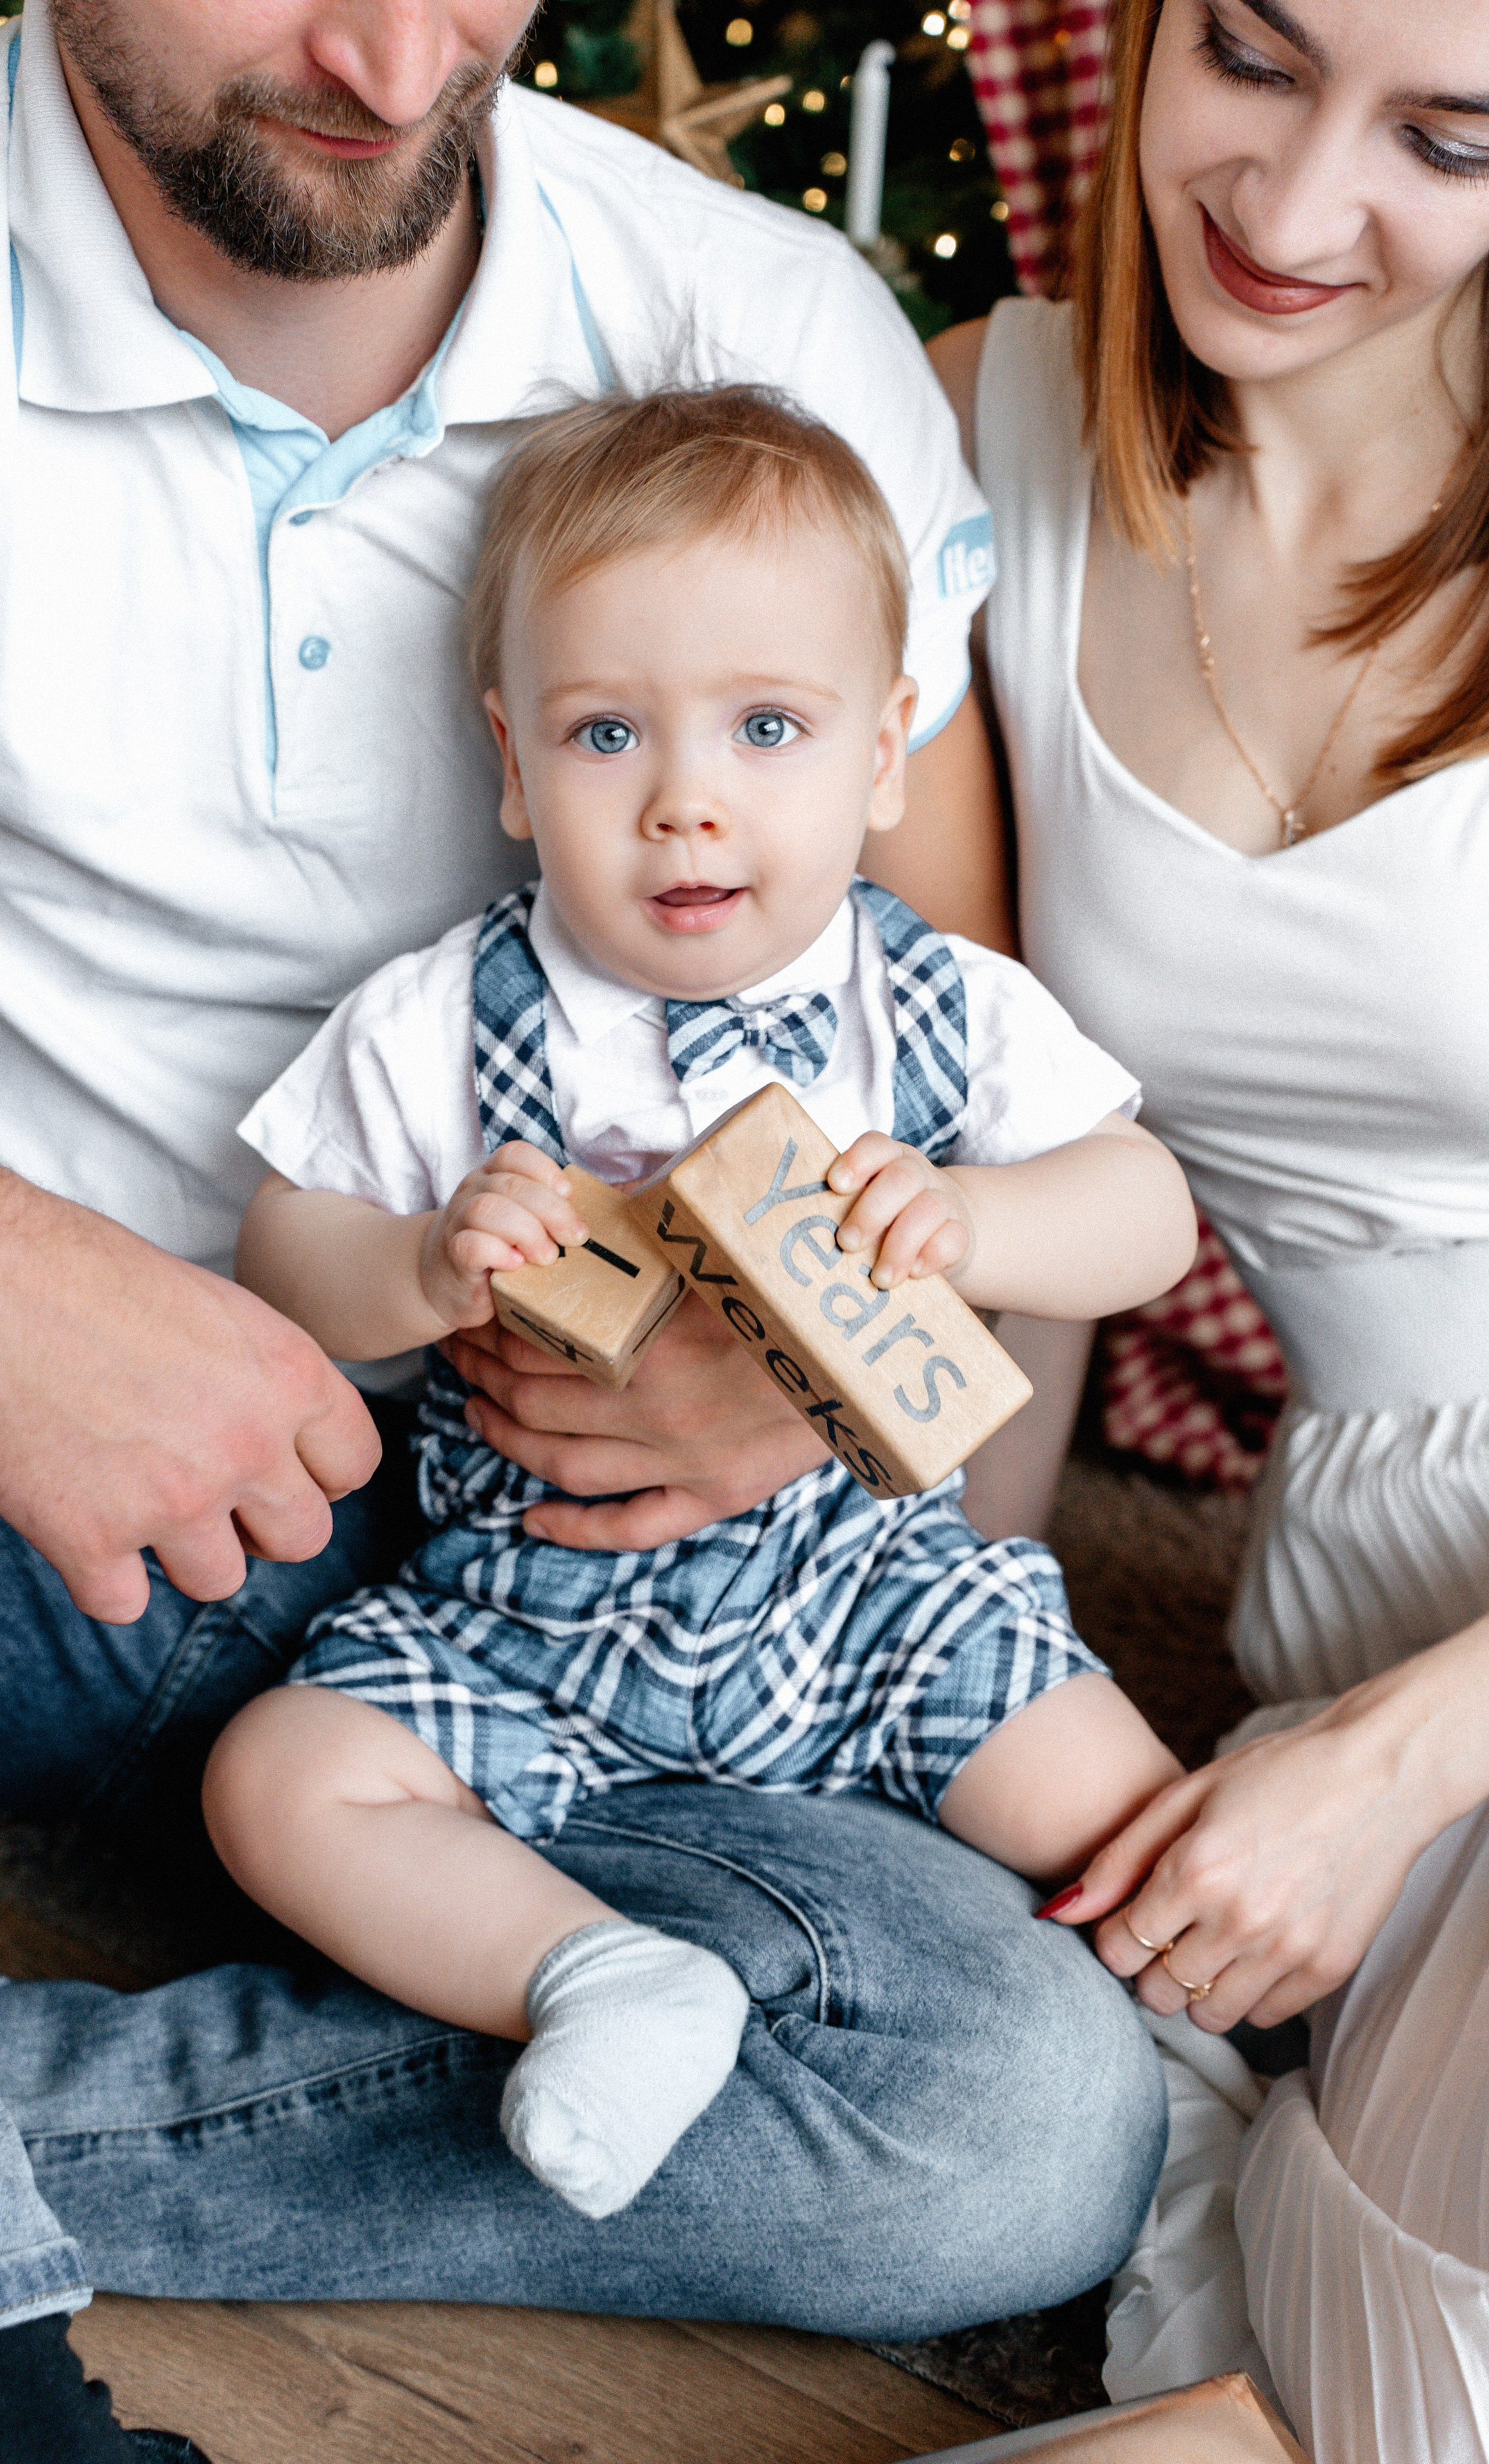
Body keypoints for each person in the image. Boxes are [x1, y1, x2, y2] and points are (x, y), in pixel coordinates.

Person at [0, 1, 1173, 2454]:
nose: (380, 50)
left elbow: (1023, 1130)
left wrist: (840, 1410)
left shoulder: (750, 319)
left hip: (659, 1587)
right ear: (514, 744)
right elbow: (306, 1227)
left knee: (1021, 2124)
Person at [203, 384, 1196, 2223]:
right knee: (284, 1779)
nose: (688, 800)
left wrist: (978, 1223)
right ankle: (597, 1978)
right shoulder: (446, 1018)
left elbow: (1147, 1214)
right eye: (605, 734)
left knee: (1130, 1816)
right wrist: (420, 1265)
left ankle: (1214, 2059)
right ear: (511, 764)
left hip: (869, 1585)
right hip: (528, 1617)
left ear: (886, 752)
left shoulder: (933, 1010)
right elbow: (285, 1248)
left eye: (767, 726)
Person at [929, 0, 1489, 2451]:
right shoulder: (982, 430)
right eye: (1252, 62)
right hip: (1376, 1552)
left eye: (1450, 139)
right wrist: (950, 1638)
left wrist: (1397, 1762)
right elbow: (1007, 1148)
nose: (1285, 209)